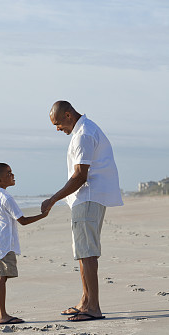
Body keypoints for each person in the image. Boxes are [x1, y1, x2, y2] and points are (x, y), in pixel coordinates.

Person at [41, 101, 123, 322]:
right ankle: (85, 301)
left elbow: (80, 176)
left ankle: (93, 307)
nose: (58, 129)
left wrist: (53, 199)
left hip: (87, 197)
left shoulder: (84, 134)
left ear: (68, 115)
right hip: (89, 198)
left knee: (87, 254)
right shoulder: (86, 129)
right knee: (84, 253)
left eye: (58, 123)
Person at [0, 162, 48, 325]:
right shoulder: (6, 198)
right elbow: (23, 221)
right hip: (3, 243)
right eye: (9, 174)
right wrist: (43, 215)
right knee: (1, 278)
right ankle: (2, 315)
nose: (12, 176)